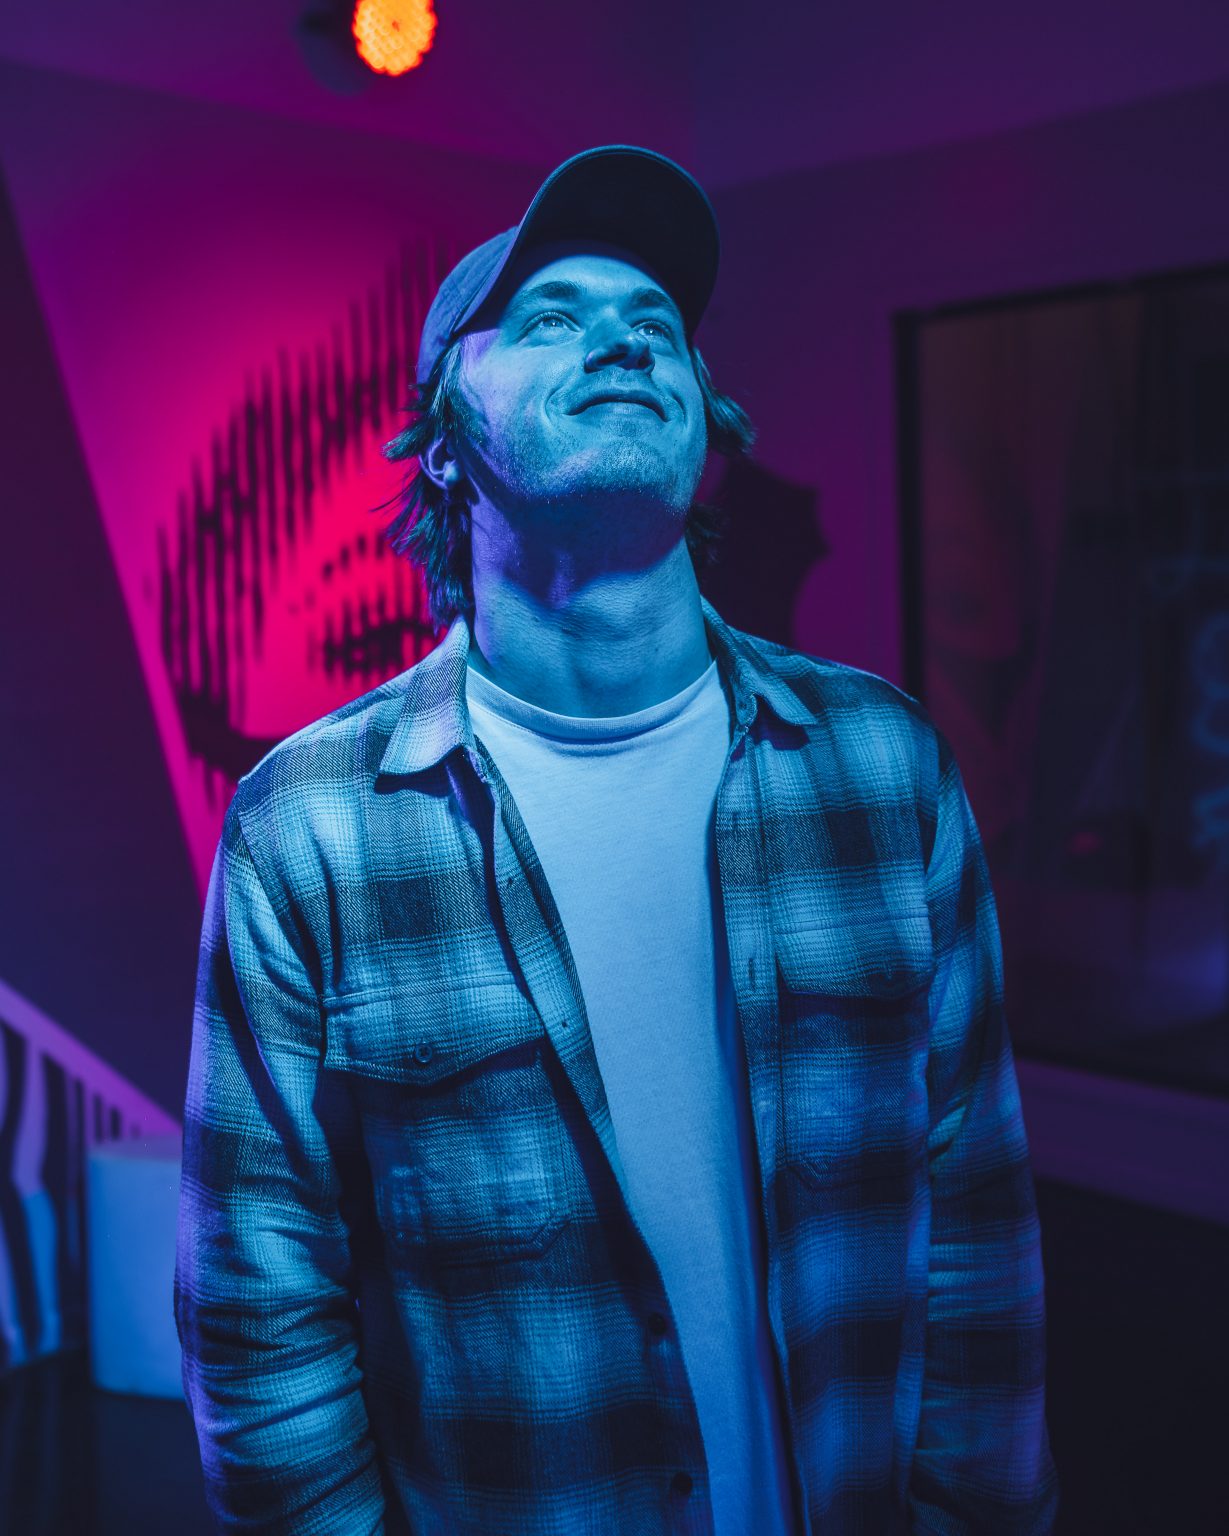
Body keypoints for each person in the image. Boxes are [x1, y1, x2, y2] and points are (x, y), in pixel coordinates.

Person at [174, 144, 1059, 1535]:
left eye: (657, 323)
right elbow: (260, 1309)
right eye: (551, 316)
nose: (625, 340)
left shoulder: (885, 769)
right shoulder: (313, 826)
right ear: (443, 437)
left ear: (707, 420)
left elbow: (977, 1218)